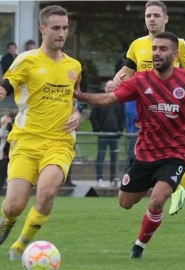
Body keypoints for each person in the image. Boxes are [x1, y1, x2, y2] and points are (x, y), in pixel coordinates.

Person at [74, 31, 185, 258]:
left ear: (175, 54)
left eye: (162, 49)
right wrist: (80, 96)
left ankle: (138, 246)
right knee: (125, 202)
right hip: (145, 153)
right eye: (154, 48)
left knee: (157, 201)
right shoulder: (140, 80)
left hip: (176, 153)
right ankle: (152, 186)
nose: (156, 53)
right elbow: (109, 99)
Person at [113, 0, 185, 224]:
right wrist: (119, 77)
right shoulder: (137, 45)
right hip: (148, 111)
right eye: (148, 16)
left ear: (166, 19)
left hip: (170, 110)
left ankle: (184, 196)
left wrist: (178, 84)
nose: (152, 19)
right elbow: (129, 68)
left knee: (166, 155)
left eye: (156, 15)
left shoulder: (179, 44)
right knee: (161, 157)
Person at [0, 5, 81, 260]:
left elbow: (74, 99)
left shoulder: (74, 66)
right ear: (42, 29)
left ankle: (21, 245)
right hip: (26, 141)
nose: (61, 33)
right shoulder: (26, 59)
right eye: (56, 28)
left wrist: (77, 113)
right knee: (13, 205)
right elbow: (6, 84)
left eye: (65, 28)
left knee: (47, 191)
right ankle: (8, 220)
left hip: (60, 142)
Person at [89, 80, 125, 187]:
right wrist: (98, 130)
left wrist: (120, 130)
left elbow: (123, 117)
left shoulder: (119, 102)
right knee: (101, 156)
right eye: (108, 87)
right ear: (105, 88)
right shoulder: (100, 101)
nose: (110, 89)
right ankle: (99, 178)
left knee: (114, 157)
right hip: (103, 134)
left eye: (112, 87)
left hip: (115, 134)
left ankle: (113, 179)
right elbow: (93, 117)